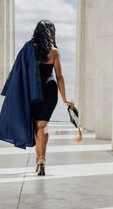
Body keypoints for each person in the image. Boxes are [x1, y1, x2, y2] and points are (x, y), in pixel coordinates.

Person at [30, 20, 74, 175]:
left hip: (33, 91)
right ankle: (42, 158)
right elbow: (59, 76)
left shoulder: (29, 50)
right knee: (43, 125)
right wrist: (64, 99)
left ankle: (39, 160)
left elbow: (20, 72)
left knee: (36, 127)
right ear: (51, 33)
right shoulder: (54, 52)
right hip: (49, 90)